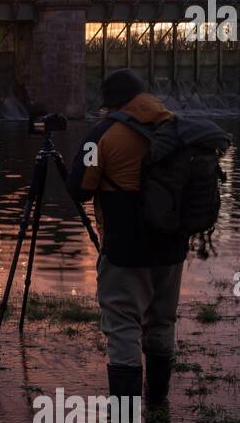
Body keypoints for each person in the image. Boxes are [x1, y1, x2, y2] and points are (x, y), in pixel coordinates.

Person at [66, 69, 186, 405]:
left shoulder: (103, 134)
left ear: (113, 104)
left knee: (123, 328)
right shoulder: (175, 126)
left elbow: (79, 189)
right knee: (162, 322)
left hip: (125, 250)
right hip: (172, 248)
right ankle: (158, 402)